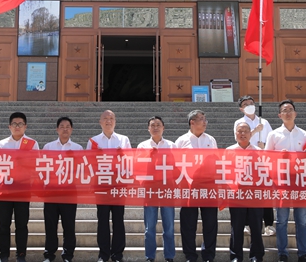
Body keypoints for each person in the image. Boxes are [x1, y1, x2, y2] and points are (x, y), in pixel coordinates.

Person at [265, 100, 306, 262]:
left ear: (295, 113)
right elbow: (267, 157)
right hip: (282, 182)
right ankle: (282, 253)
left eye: (290, 109)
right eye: (284, 110)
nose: (288, 113)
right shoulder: (273, 135)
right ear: (280, 115)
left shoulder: (304, 134)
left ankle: (302, 253)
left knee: (302, 220)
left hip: (300, 181)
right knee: (282, 220)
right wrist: (279, 156)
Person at [87, 110, 131, 262]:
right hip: (101, 185)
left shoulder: (123, 140)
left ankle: (117, 254)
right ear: (100, 122)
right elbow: (88, 163)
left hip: (119, 185)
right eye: (105, 118)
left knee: (118, 219)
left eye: (111, 118)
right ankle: (104, 254)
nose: (108, 121)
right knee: (103, 219)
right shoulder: (93, 141)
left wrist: (122, 156)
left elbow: (129, 162)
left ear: (115, 121)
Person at [175, 110, 218, 262]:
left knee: (210, 222)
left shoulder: (211, 140)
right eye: (201, 119)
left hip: (208, 186)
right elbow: (175, 164)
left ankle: (209, 255)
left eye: (205, 119)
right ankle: (190, 255)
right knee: (188, 223)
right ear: (192, 122)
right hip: (189, 187)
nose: (205, 122)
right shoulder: (181, 141)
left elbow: (216, 161)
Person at [0, 112, 39, 262]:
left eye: (20, 124)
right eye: (14, 124)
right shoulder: (1, 144)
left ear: (25, 126)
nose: (17, 127)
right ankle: (3, 255)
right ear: (9, 126)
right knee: (3, 224)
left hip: (23, 189)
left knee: (21, 224)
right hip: (5, 189)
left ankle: (21, 254)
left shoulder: (32, 144)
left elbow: (36, 165)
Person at [42, 117, 83, 262]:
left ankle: (68, 255)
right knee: (50, 225)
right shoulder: (48, 147)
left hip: (69, 192)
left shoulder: (78, 148)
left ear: (72, 129)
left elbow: (81, 170)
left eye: (67, 126)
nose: (65, 129)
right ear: (57, 129)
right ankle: (49, 254)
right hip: (51, 192)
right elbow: (42, 168)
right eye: (62, 126)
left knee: (69, 225)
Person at [233, 95, 275, 236]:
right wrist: (255, 131)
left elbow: (271, 140)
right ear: (241, 108)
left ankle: (268, 224)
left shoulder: (264, 122)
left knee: (264, 192)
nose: (249, 106)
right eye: (246, 104)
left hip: (261, 161)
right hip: (245, 162)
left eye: (251, 103)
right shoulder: (239, 122)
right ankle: (246, 224)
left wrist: (264, 146)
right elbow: (239, 139)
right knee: (246, 192)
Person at [137, 116, 176, 262]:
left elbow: (177, 165)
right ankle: (150, 256)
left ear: (163, 128)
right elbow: (138, 167)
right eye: (152, 125)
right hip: (150, 189)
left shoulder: (171, 145)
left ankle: (169, 256)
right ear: (148, 129)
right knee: (149, 227)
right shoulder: (142, 146)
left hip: (167, 188)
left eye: (158, 125)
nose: (155, 128)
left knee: (169, 226)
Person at [227, 122, 264, 262]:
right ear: (235, 134)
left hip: (255, 194)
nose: (242, 133)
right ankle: (236, 256)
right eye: (239, 131)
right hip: (236, 194)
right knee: (236, 226)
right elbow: (224, 172)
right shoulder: (229, 151)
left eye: (245, 131)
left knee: (256, 226)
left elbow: (265, 171)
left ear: (250, 133)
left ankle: (256, 256)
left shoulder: (259, 151)